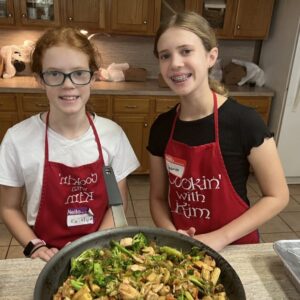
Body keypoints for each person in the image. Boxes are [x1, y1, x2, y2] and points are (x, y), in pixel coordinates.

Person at [148, 12, 289, 252]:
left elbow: (278, 196)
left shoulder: (244, 121)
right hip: (185, 248)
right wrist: (173, 236)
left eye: (186, 51)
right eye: (165, 56)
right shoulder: (162, 127)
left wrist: (220, 237)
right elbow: (158, 199)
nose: (175, 63)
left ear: (211, 56)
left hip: (236, 247)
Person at [0, 27, 139, 261]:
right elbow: (9, 208)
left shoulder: (112, 135)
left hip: (99, 251)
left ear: (93, 78)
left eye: (78, 73)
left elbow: (118, 203)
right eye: (54, 74)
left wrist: (96, 248)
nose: (68, 84)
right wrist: (34, 246)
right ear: (39, 80)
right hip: (46, 253)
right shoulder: (17, 139)